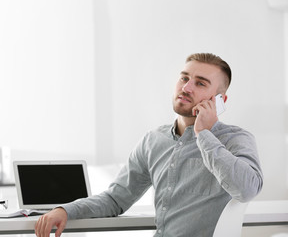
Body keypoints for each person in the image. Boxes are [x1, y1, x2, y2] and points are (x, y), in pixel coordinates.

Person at [34, 53, 263, 237]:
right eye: (184, 78)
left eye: (200, 83)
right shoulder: (153, 140)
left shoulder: (235, 139)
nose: (187, 88)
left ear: (219, 100)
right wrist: (66, 210)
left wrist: (204, 134)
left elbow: (247, 190)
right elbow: (116, 198)